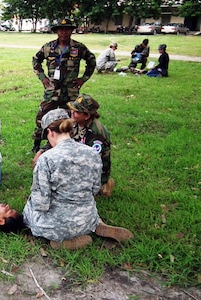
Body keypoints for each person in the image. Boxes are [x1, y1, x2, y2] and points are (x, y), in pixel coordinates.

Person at [23, 109, 133, 249]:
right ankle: (97, 224)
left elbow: (41, 203)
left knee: (30, 209)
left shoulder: (46, 159)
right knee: (87, 205)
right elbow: (94, 189)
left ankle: (61, 241)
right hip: (86, 218)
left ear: (50, 132)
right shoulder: (92, 153)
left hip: (55, 226)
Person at [31, 18, 96, 153]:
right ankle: (37, 143)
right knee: (42, 115)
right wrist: (43, 78)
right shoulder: (48, 47)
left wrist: (83, 79)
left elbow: (91, 61)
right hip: (52, 90)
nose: (64, 32)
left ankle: (72, 142)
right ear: (56, 31)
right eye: (61, 29)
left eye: (67, 29)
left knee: (73, 117)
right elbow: (36, 59)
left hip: (70, 91)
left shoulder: (79, 48)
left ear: (71, 31)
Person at [33, 94, 114, 197]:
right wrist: (42, 151)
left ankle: (104, 187)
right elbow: (59, 138)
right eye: (72, 109)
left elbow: (92, 162)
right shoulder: (75, 122)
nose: (72, 113)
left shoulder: (96, 133)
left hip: (92, 171)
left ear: (87, 116)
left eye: (76, 112)